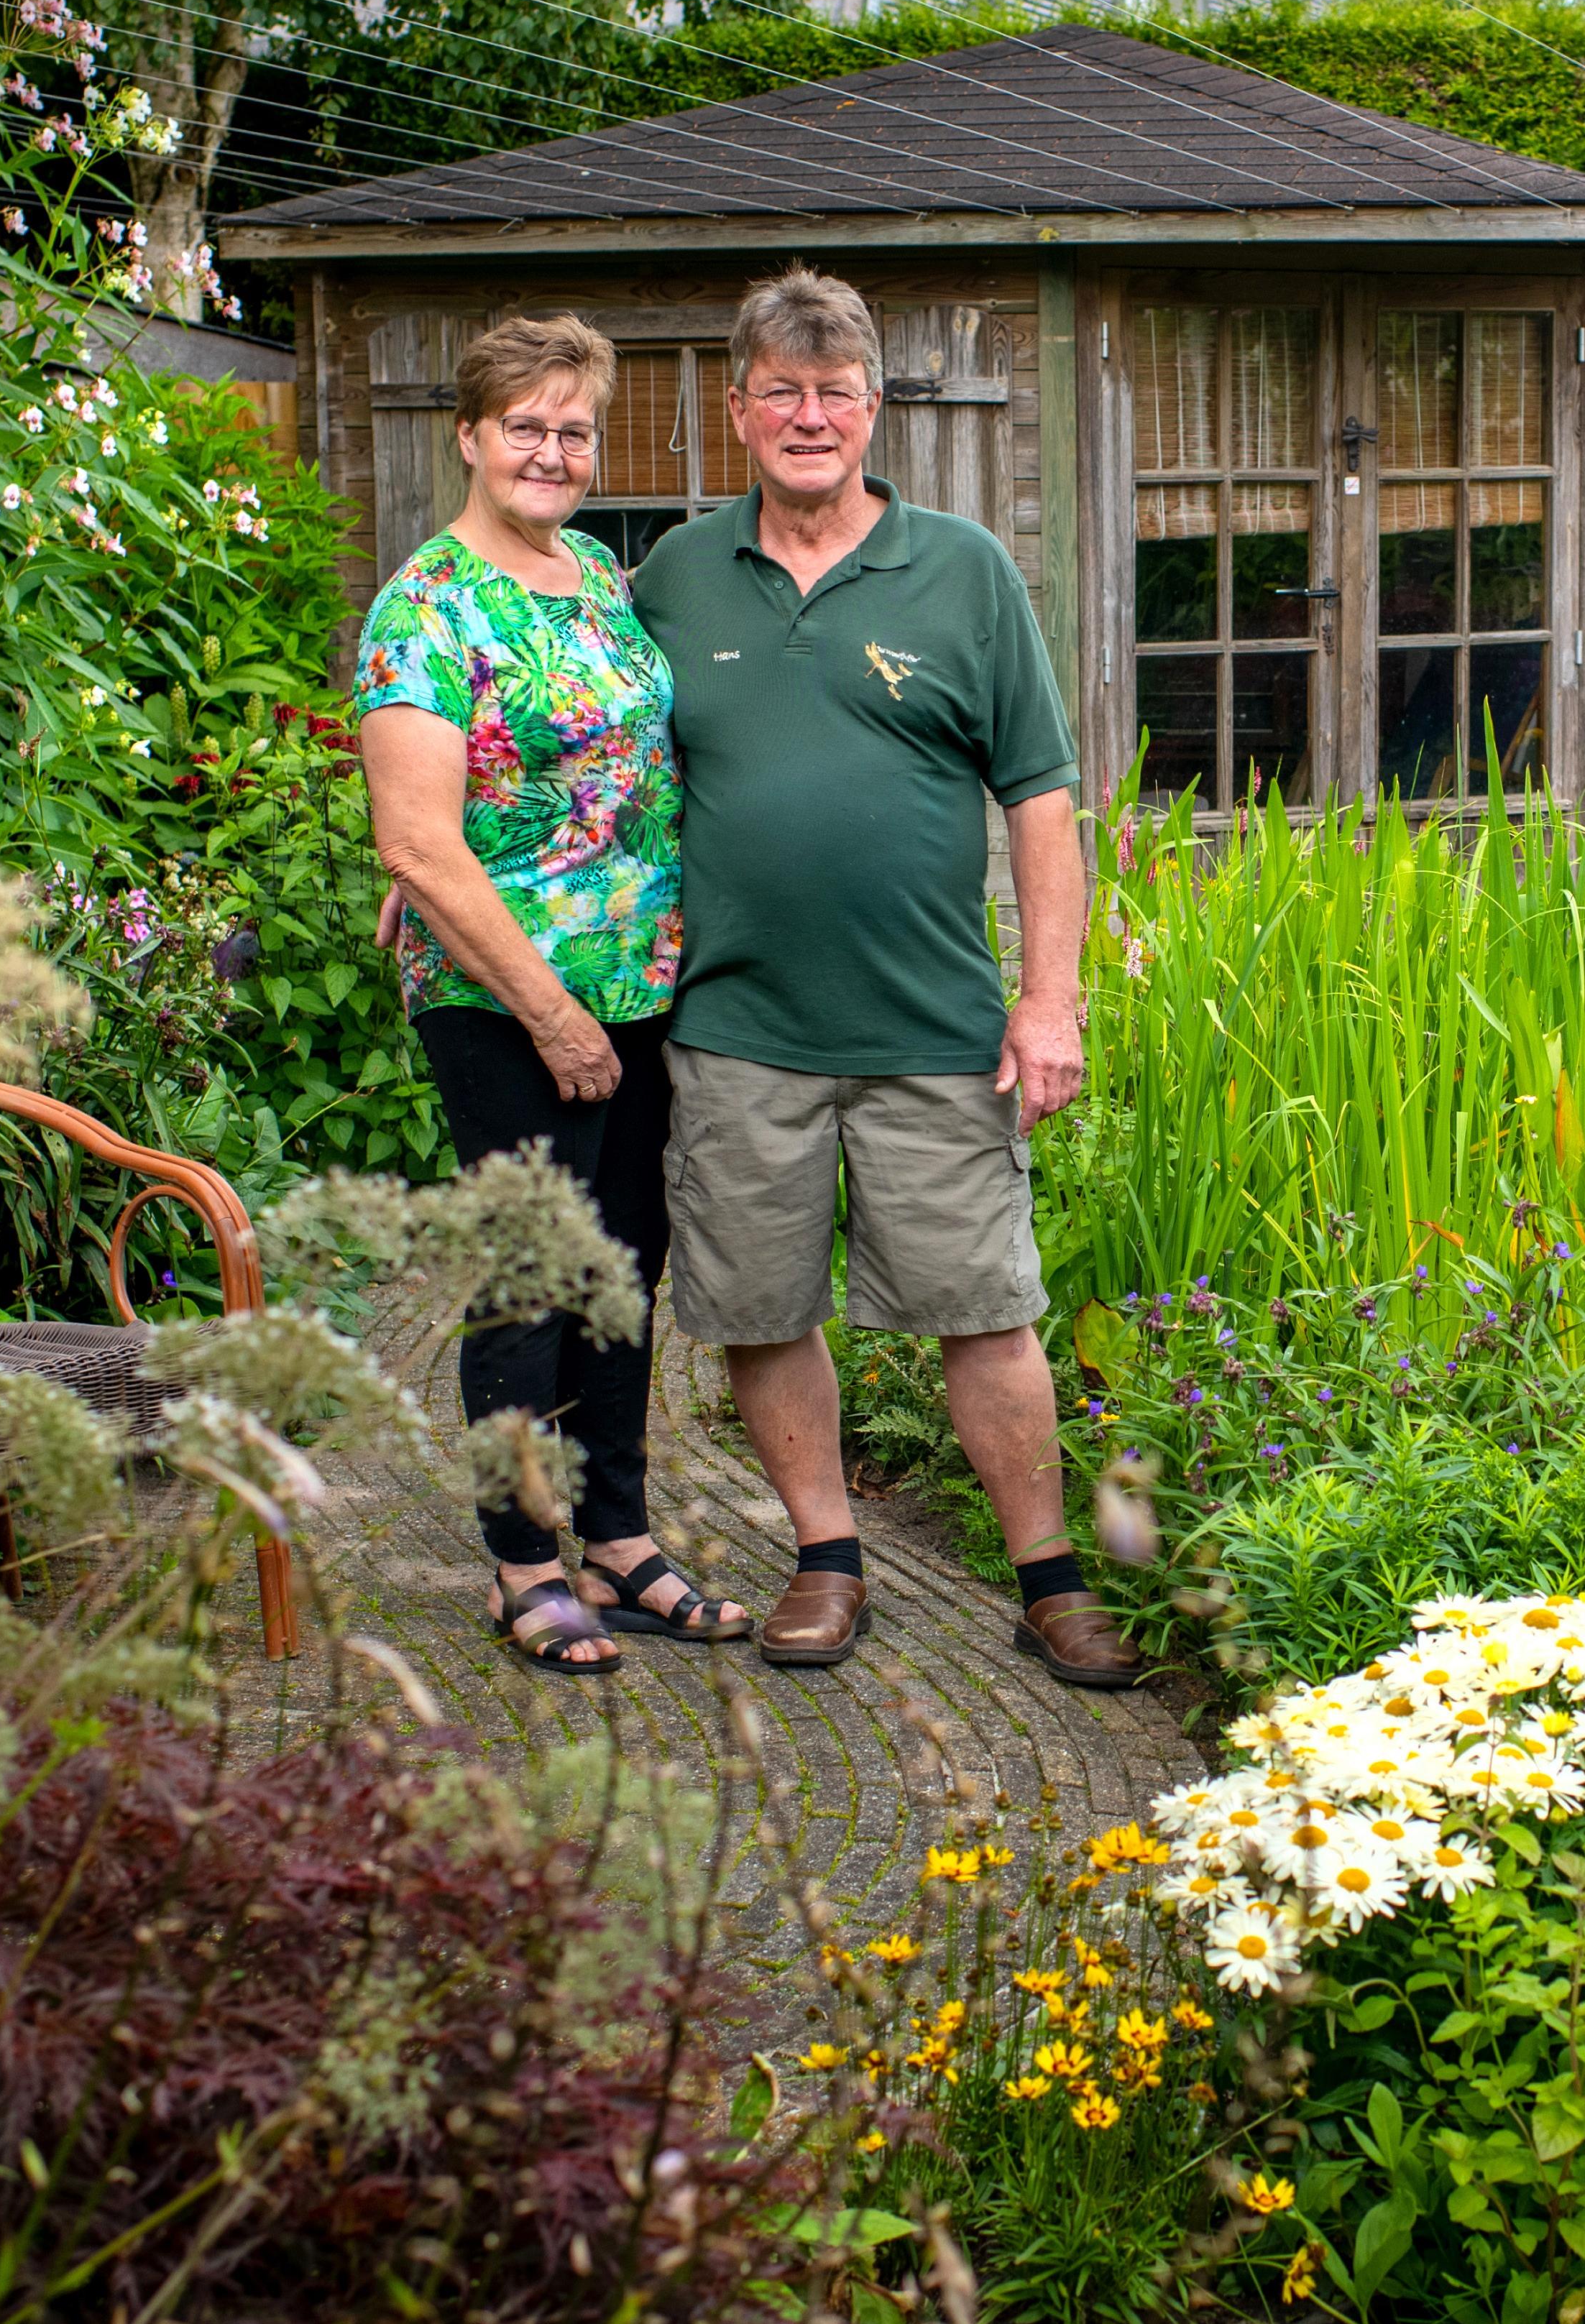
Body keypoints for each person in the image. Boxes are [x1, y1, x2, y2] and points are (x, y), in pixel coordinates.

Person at [628, 267, 1136, 1689]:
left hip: (932, 1026)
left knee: (989, 1306)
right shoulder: (671, 577)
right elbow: (590, 770)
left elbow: (1041, 797)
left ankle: (1049, 1578)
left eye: (835, 390)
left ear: (873, 408)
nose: (809, 415)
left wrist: (1050, 999)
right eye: (781, 390)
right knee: (760, 1302)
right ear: (738, 410)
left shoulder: (963, 569)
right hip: (736, 1030)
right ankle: (827, 1557)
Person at [354, 311, 750, 1678]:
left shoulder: (592, 569)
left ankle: (622, 1536)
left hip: (640, 983)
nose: (552, 450)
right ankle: (525, 1565)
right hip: (507, 1001)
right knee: (531, 1280)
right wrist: (550, 1009)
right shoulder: (426, 608)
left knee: (624, 1264)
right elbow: (416, 840)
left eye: (574, 429)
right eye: (525, 426)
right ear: (468, 436)